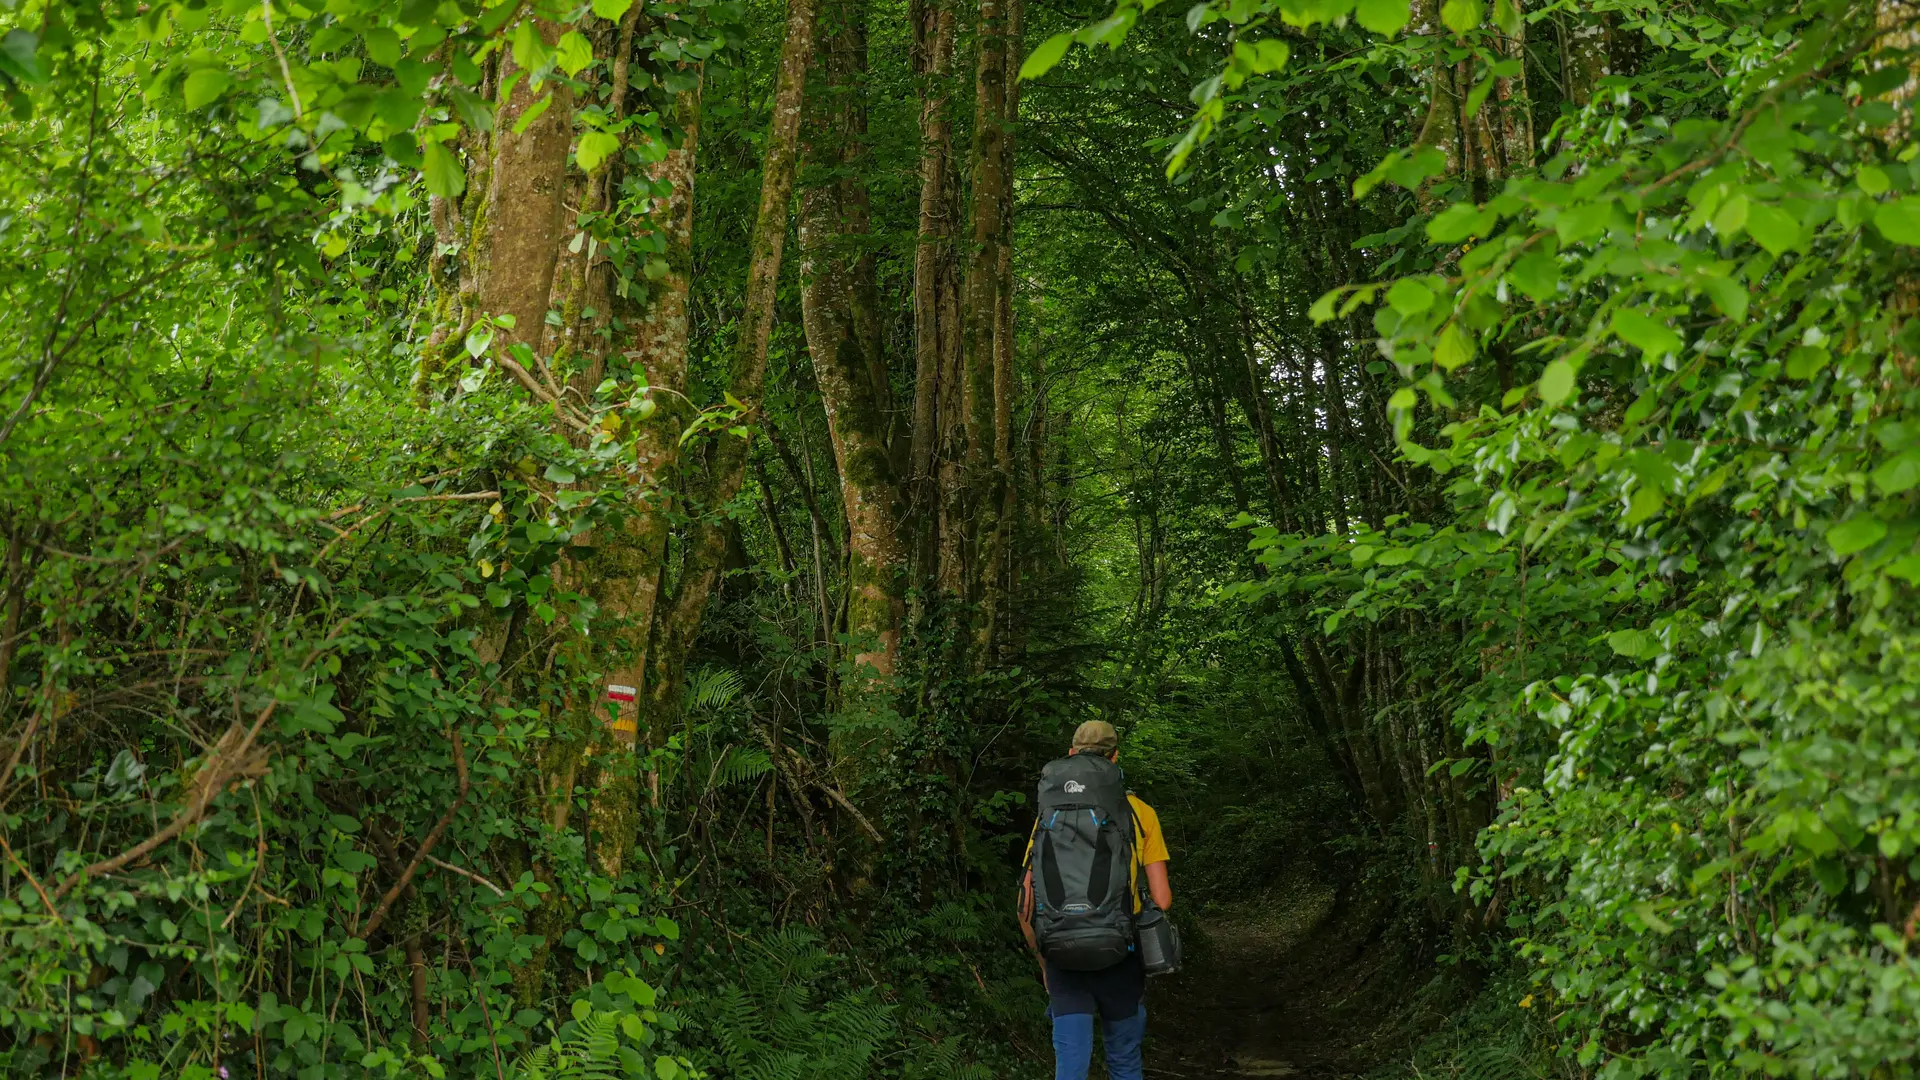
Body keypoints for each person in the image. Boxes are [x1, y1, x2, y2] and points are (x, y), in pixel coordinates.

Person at [1018, 720, 1173, 1080]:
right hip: (1121, 955)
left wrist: (1043, 961)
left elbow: (1025, 902)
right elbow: (1162, 899)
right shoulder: (1140, 813)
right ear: (1115, 759)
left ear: (1071, 754)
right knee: (1123, 1060)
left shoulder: (1047, 815)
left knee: (1070, 1065)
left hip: (1061, 954)